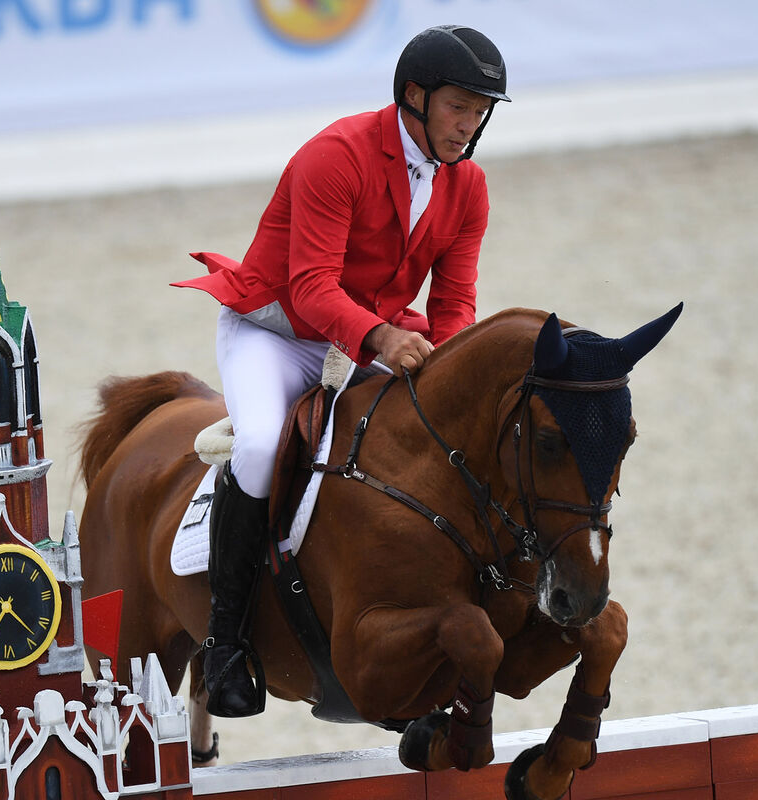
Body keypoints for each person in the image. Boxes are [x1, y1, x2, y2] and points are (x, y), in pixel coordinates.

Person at [173, 24, 510, 718]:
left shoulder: (468, 186)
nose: (468, 125)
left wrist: (450, 378)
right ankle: (227, 641)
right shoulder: (337, 155)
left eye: (479, 112)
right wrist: (382, 337)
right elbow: (314, 284)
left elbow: (453, 302)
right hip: (277, 329)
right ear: (414, 96)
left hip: (360, 341)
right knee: (264, 446)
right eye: (458, 107)